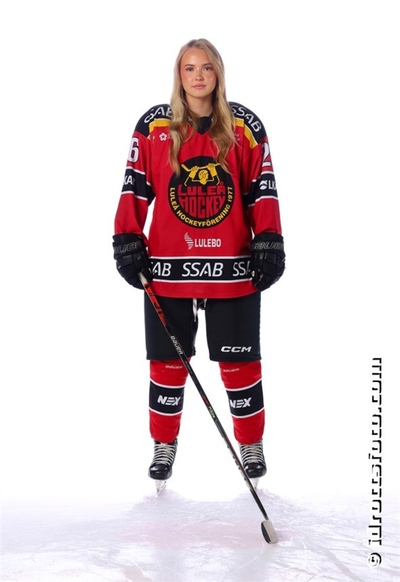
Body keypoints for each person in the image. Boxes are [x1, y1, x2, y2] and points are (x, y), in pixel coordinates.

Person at [112, 38, 285, 487]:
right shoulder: (155, 126)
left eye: (206, 67)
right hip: (168, 266)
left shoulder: (244, 126)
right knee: (167, 363)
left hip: (232, 265)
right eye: (189, 68)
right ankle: (163, 444)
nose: (198, 76)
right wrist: (128, 237)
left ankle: (250, 444)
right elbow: (134, 186)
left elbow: (262, 187)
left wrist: (269, 238)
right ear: (179, 75)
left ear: (218, 73)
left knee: (240, 362)